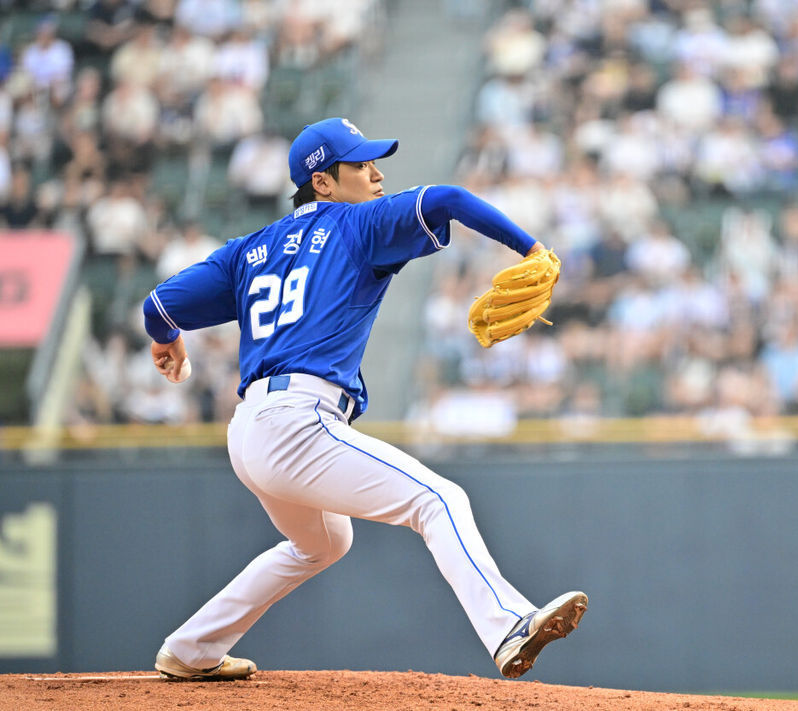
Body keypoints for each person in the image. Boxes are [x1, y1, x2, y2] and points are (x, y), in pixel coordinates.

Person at [142, 117, 587, 681]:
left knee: (322, 542)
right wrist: (530, 248)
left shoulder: (247, 250)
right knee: (439, 500)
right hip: (298, 423)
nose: (377, 174)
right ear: (323, 183)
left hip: (252, 429)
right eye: (360, 165)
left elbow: (158, 307)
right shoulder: (356, 225)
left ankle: (191, 648)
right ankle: (508, 625)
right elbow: (446, 198)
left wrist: (166, 342)